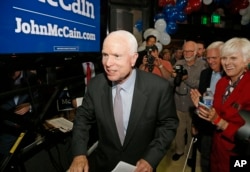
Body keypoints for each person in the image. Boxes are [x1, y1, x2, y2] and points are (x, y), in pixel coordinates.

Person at [69, 30, 178, 172]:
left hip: (140, 166)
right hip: (104, 165)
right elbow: (82, 119)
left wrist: (151, 158)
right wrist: (79, 154)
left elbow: (168, 125)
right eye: (105, 55)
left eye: (117, 56)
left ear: (133, 59)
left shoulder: (158, 88)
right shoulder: (96, 85)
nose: (108, 63)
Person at [190, 37, 250, 172]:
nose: (227, 63)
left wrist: (218, 121)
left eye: (233, 58)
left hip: (239, 156)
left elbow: (246, 135)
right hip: (217, 151)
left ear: (247, 60)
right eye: (224, 58)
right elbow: (215, 112)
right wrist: (203, 107)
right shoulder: (222, 83)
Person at [190, 41, 224, 172]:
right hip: (206, 126)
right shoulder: (205, 73)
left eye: (214, 58)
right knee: (205, 159)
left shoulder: (230, 76)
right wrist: (195, 123)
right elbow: (199, 100)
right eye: (208, 58)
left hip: (223, 127)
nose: (210, 61)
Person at [171, 41, 207, 162]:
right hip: (178, 102)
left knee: (192, 132)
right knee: (179, 130)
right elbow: (173, 80)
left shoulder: (203, 65)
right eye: (185, 51)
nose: (186, 53)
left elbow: (200, 84)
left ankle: (190, 155)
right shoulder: (179, 63)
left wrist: (185, 78)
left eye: (189, 51)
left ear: (196, 52)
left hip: (193, 106)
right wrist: (174, 77)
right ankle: (179, 151)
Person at [0, 69, 41, 163]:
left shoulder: (31, 77)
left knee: (30, 161)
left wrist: (30, 106)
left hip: (27, 131)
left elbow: (40, 100)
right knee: (6, 162)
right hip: (6, 133)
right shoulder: (2, 78)